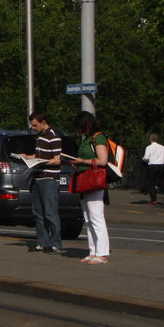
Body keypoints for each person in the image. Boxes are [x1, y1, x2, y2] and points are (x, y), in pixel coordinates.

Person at [72, 110, 111, 265]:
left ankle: (102, 253)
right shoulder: (88, 139)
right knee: (89, 217)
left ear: (88, 124)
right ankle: (93, 251)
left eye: (81, 127)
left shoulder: (98, 137)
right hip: (85, 179)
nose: (80, 130)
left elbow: (102, 160)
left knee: (96, 216)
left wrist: (82, 161)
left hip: (94, 180)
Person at [25, 112, 63, 253]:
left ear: (43, 122)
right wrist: (28, 157)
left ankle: (56, 243)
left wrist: (42, 162)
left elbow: (58, 159)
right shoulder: (40, 137)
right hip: (37, 177)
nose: (33, 127)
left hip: (49, 178)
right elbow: (40, 154)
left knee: (50, 212)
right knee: (38, 212)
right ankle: (42, 241)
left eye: (35, 125)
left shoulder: (53, 136)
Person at [141, 133, 164, 205]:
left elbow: (146, 158)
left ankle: (154, 200)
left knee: (152, 183)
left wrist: (143, 159)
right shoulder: (162, 147)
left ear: (150, 139)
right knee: (160, 182)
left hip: (152, 166)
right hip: (161, 166)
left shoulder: (148, 147)